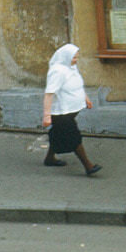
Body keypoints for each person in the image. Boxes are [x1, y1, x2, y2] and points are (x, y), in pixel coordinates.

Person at [41, 44, 101, 175]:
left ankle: (49, 158)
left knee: (57, 133)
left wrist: (86, 98)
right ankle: (88, 166)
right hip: (62, 112)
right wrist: (47, 115)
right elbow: (49, 94)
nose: (76, 60)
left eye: (76, 57)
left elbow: (77, 85)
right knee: (73, 136)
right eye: (74, 57)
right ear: (66, 56)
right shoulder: (57, 71)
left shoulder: (71, 67)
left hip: (71, 109)